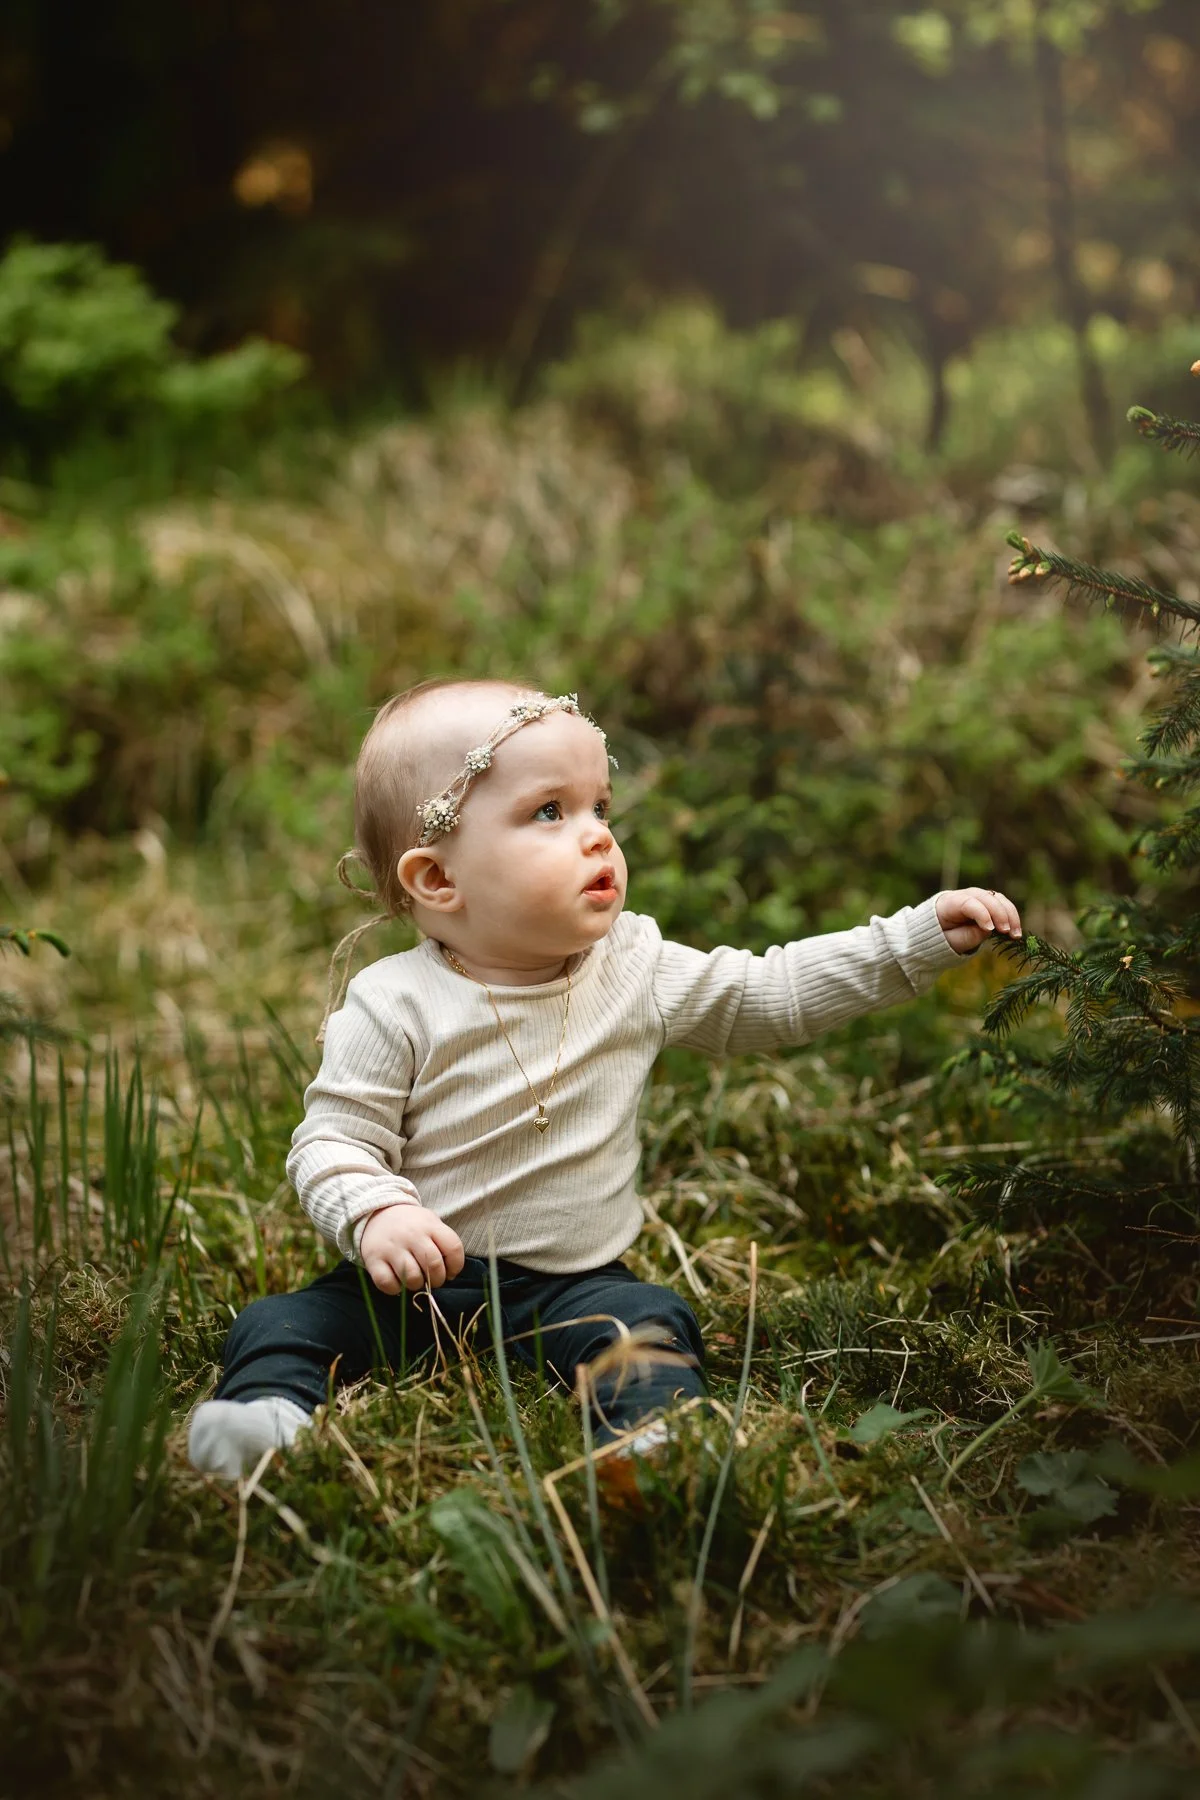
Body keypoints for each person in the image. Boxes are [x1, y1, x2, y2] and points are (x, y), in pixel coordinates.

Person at [188, 678, 1022, 1484]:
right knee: (280, 1322)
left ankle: (648, 1441)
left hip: (573, 1282)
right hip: (416, 1286)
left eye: (600, 810)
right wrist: (375, 1213)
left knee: (649, 1322)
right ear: (439, 880)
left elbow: (771, 994)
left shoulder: (636, 965)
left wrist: (909, 943)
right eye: (549, 812)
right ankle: (266, 1419)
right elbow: (332, 1140)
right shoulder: (395, 1001)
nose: (597, 838)